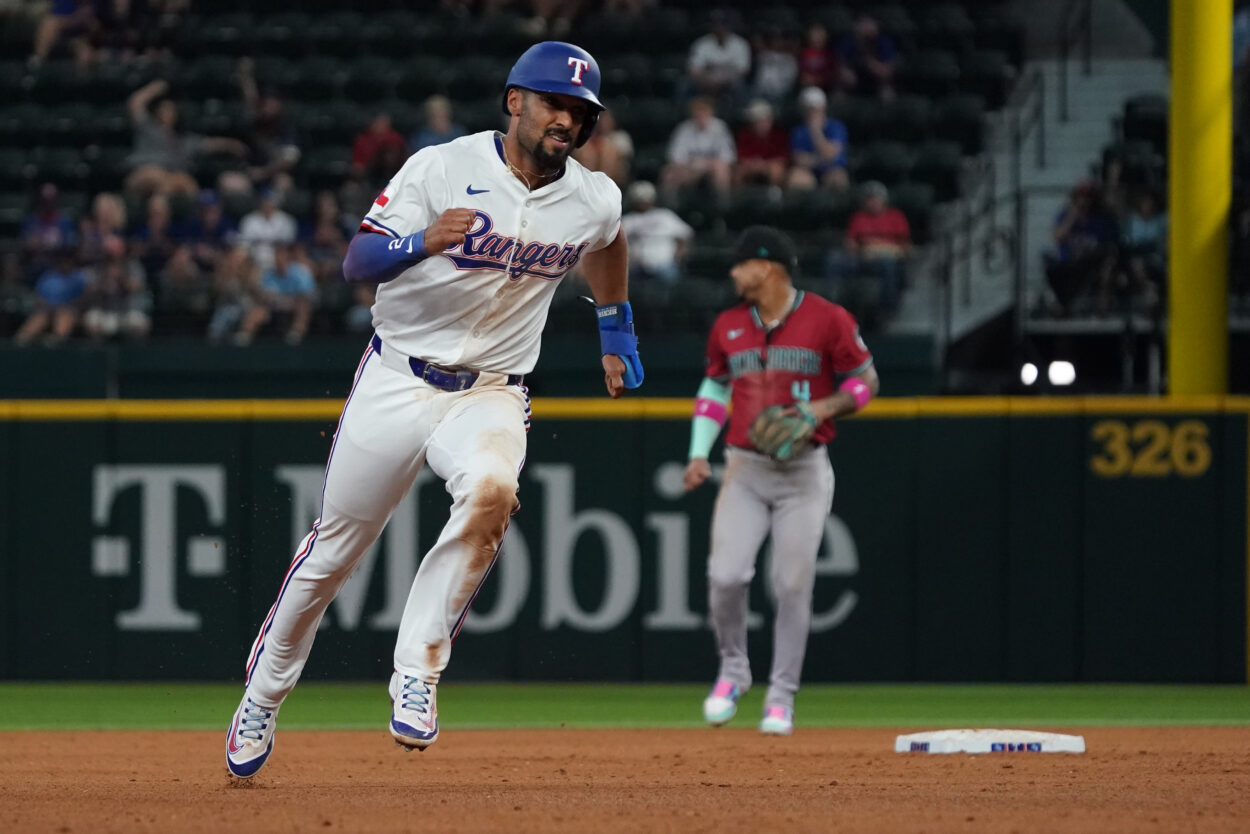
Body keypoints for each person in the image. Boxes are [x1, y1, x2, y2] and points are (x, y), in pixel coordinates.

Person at [226, 40, 644, 779]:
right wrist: (421, 241)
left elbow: (607, 242)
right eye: (553, 104)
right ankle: (264, 693)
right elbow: (358, 261)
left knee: (494, 491)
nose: (566, 120)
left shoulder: (593, 195)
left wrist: (616, 327)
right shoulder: (441, 167)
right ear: (515, 102)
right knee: (333, 554)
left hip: (493, 389)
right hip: (398, 376)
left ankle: (417, 668)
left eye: (580, 112)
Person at [682, 226, 878, 737]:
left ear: (766, 267)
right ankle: (733, 671)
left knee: (791, 584)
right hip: (745, 469)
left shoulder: (828, 318)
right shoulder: (728, 324)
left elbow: (866, 382)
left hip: (803, 472)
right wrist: (699, 452)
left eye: (741, 263)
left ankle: (782, 696)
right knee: (726, 576)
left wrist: (824, 407)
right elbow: (715, 387)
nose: (733, 272)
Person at [124, 79, 249, 199]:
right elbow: (135, 103)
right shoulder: (148, 127)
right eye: (163, 108)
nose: (166, 112)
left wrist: (233, 145)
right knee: (157, 176)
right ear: (157, 111)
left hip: (173, 178)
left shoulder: (183, 140)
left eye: (170, 110)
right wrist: (156, 87)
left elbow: (209, 144)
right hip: (144, 173)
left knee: (186, 182)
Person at [827, 181, 912, 316]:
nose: (872, 202)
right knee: (835, 259)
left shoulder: (895, 216)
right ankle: (833, 303)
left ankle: (888, 309)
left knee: (889, 264)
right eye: (869, 199)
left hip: (885, 258)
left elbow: (905, 247)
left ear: (883, 200)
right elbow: (850, 243)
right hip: (862, 258)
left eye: (876, 198)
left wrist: (877, 246)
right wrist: (861, 250)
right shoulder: (859, 217)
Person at [1042, 180, 1120, 316]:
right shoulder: (1065, 215)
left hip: (1092, 263)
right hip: (1069, 263)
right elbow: (1057, 237)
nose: (1084, 200)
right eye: (1081, 196)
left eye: (1088, 197)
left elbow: (1111, 244)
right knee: (1051, 268)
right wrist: (1072, 217)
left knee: (1107, 267)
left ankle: (1101, 307)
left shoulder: (1102, 218)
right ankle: (1062, 305)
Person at [232, 242, 316, 345]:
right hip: (275, 306)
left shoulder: (300, 273)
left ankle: (296, 334)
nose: (278, 259)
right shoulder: (270, 275)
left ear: (288, 257)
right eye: (276, 255)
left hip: (294, 304)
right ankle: (245, 334)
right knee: (260, 308)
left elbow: (307, 295)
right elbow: (265, 295)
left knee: (303, 306)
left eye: (281, 255)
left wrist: (288, 300)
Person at [660, 96, 736, 202]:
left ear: (710, 113)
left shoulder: (720, 127)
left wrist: (707, 163)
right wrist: (690, 165)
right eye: (697, 114)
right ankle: (671, 206)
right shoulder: (684, 128)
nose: (701, 118)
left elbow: (728, 156)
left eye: (704, 113)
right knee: (669, 174)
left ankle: (723, 206)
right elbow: (675, 156)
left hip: (712, 168)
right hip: (690, 169)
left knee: (721, 170)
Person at [621, 180, 693, 284]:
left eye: (646, 198)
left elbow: (686, 234)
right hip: (636, 268)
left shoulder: (665, 215)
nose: (643, 201)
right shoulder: (627, 220)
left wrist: (679, 256)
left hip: (664, 266)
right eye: (640, 198)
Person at [788, 86, 849, 190]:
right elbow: (798, 159)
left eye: (816, 109)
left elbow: (830, 154)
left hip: (832, 170)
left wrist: (816, 132)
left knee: (838, 179)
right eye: (809, 109)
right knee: (795, 177)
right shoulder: (799, 131)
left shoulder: (836, 127)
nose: (813, 112)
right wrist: (819, 161)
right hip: (808, 171)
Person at [686, 9, 752, 103]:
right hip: (705, 82)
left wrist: (720, 79)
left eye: (722, 23)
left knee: (740, 87)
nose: (719, 27)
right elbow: (693, 69)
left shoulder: (740, 43)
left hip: (730, 83)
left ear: (729, 25)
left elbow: (743, 70)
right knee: (685, 85)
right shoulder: (701, 43)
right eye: (715, 24)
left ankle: (741, 109)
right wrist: (709, 80)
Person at [838, 12, 898, 101]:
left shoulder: (884, 42)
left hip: (876, 81)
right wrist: (845, 72)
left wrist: (870, 63)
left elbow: (887, 71)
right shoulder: (848, 41)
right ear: (856, 26)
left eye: (870, 24)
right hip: (854, 78)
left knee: (887, 93)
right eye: (864, 24)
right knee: (840, 87)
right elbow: (839, 64)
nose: (867, 28)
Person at [734, 98, 788, 187]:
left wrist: (765, 165)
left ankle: (774, 193)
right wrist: (753, 165)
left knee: (776, 169)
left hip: (770, 165)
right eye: (757, 121)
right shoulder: (744, 135)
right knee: (739, 170)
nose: (761, 124)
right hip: (751, 166)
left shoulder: (778, 135)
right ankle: (739, 194)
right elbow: (741, 157)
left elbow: (782, 158)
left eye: (764, 120)